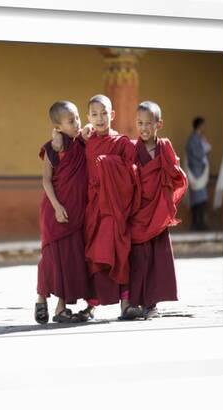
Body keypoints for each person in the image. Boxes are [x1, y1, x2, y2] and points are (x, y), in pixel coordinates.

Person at [59, 95, 142, 322]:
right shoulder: (87, 140)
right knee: (94, 255)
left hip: (115, 209)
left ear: (112, 115)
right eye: (94, 114)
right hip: (94, 207)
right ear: (88, 117)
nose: (100, 118)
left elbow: (132, 172)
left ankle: (126, 304)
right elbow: (64, 149)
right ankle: (91, 306)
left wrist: (108, 163)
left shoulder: (122, 142)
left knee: (119, 253)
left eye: (104, 113)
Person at [129, 101, 188, 318]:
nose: (143, 128)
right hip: (140, 210)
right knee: (138, 257)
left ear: (158, 124)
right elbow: (128, 178)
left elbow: (176, 174)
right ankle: (134, 301)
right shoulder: (133, 148)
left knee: (158, 257)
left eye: (148, 123)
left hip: (159, 211)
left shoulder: (164, 146)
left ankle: (152, 303)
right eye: (139, 123)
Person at [35, 101, 91, 324]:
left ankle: (61, 307)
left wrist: (84, 132)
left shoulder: (82, 144)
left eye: (77, 117)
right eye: (71, 121)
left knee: (69, 259)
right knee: (51, 258)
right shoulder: (52, 148)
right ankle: (41, 298)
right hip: (55, 210)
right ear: (57, 126)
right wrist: (57, 207)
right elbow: (46, 181)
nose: (77, 123)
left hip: (76, 213)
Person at [185, 116, 211, 230]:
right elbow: (197, 155)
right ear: (199, 126)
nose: (205, 127)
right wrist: (205, 149)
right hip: (196, 173)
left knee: (201, 199)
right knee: (198, 200)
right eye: (203, 125)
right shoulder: (193, 139)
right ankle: (197, 224)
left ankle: (199, 223)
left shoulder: (199, 138)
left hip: (200, 172)